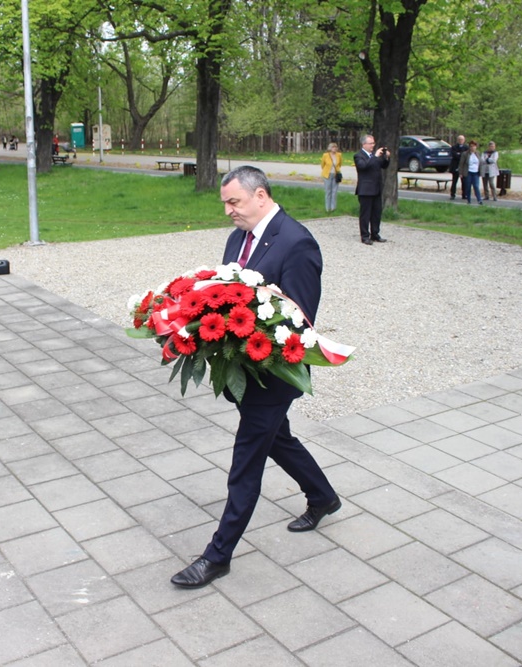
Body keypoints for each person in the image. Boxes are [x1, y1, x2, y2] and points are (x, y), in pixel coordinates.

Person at [170, 166, 342, 589]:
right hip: (243, 370)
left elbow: (299, 321)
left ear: (260, 196)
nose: (228, 211)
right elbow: (229, 291)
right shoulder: (238, 237)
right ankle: (323, 497)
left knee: (246, 462)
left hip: (273, 375)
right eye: (225, 203)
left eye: (235, 202)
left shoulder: (297, 243)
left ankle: (218, 555)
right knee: (277, 440)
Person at [354, 135, 390, 244]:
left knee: (376, 213)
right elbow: (363, 167)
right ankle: (365, 236)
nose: (372, 145)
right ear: (364, 144)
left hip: (376, 188)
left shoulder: (374, 156)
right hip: (365, 189)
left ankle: (375, 234)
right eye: (370, 143)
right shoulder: (358, 156)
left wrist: (386, 157)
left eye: (373, 143)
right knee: (365, 214)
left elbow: (383, 165)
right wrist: (374, 156)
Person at [320, 142, 343, 213]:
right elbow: (322, 165)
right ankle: (327, 208)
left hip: (335, 175)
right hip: (327, 175)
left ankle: (333, 207)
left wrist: (337, 171)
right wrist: (327, 171)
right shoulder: (325, 155)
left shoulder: (339, 155)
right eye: (333, 147)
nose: (335, 149)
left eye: (335, 147)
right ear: (330, 148)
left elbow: (340, 164)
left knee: (334, 191)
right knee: (328, 191)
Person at [449, 134, 467, 200]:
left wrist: (459, 154)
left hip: (463, 167)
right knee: (454, 181)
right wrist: (460, 155)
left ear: (464, 140)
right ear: (457, 140)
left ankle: (464, 195)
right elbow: (455, 155)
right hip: (455, 166)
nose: (460, 140)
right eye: (459, 139)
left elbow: (465, 156)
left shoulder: (466, 147)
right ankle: (452, 194)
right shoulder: (454, 147)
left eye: (462, 139)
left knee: (464, 182)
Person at [465, 140, 482, 205]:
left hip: (476, 172)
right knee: (468, 186)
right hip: (468, 172)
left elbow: (481, 163)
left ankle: (479, 200)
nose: (472, 148)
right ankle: (468, 200)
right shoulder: (466, 154)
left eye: (474, 146)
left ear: (476, 147)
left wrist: (481, 172)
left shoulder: (478, 153)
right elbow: (462, 163)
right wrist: (461, 172)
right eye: (471, 146)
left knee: (476, 186)